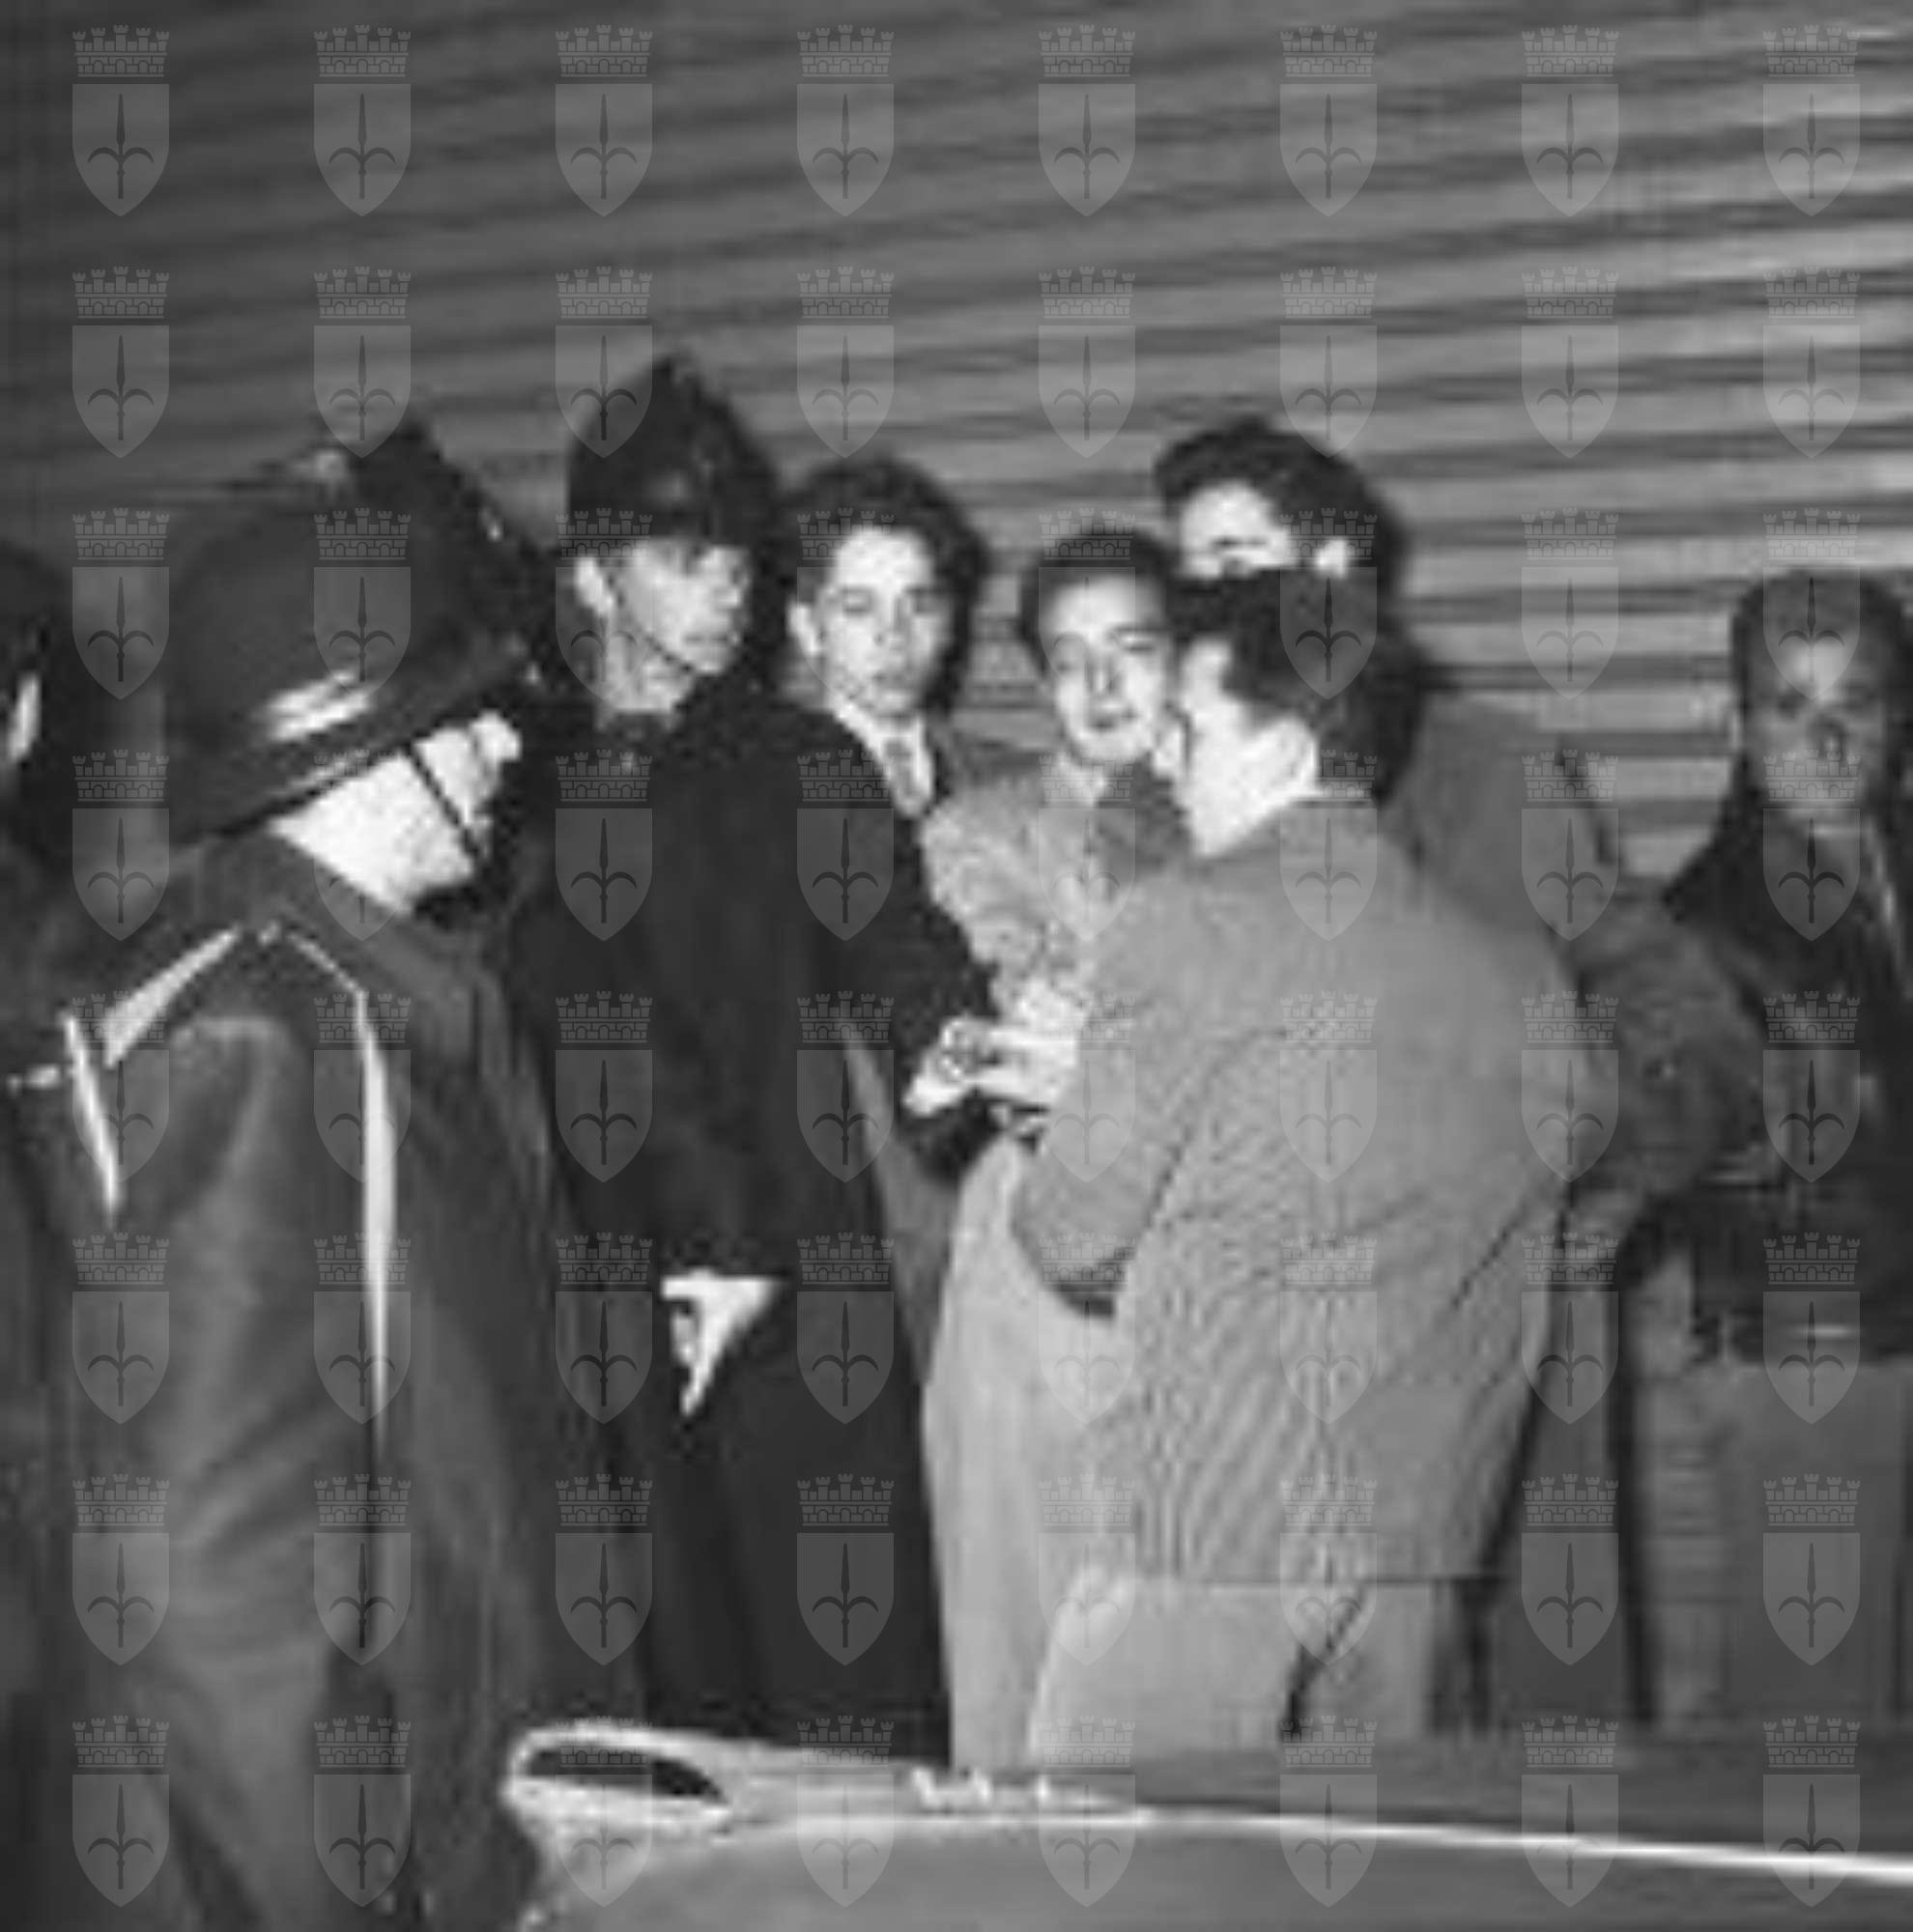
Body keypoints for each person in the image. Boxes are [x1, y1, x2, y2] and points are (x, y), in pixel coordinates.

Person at [3, 439, 603, 1930]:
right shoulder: (264, 1042)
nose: (506, 746)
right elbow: (206, 1593)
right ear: (352, 739)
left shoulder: (369, 991)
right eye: (463, 714)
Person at [925, 568, 1573, 1765]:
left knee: (1114, 1858)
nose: (1164, 759)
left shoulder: (1183, 916)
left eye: (1188, 726)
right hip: (1418, 1550)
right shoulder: (1521, 972)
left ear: (1283, 742)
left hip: (1205, 1532)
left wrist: (1080, 1110)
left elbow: (1070, 1239)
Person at [505, 376, 986, 1761]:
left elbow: (893, 933)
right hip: (593, 1269)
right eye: (682, 556)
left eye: (738, 558)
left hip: (793, 1257)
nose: (725, 589)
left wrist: (949, 1037)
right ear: (592, 575)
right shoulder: (514, 774)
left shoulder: (799, 757)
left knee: (838, 1695)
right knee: (650, 1682)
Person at [1648, 570, 1913, 1719]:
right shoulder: (1698, 927)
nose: (1829, 738)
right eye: (1789, 703)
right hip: (1810, 1359)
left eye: (1860, 699)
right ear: (1736, 725)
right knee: (1817, 1710)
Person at [918, 525, 1188, 1025]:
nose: (1102, 685)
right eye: (1069, 663)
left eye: (1132, 650)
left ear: (1187, 662)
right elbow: (1007, 985)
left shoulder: (1244, 813)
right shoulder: (976, 833)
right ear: (1044, 686)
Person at [782, 455, 1036, 815]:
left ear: (948, 623)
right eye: (859, 609)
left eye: (919, 606)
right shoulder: (755, 794)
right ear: (807, 629)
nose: (895, 638)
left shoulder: (1020, 786)